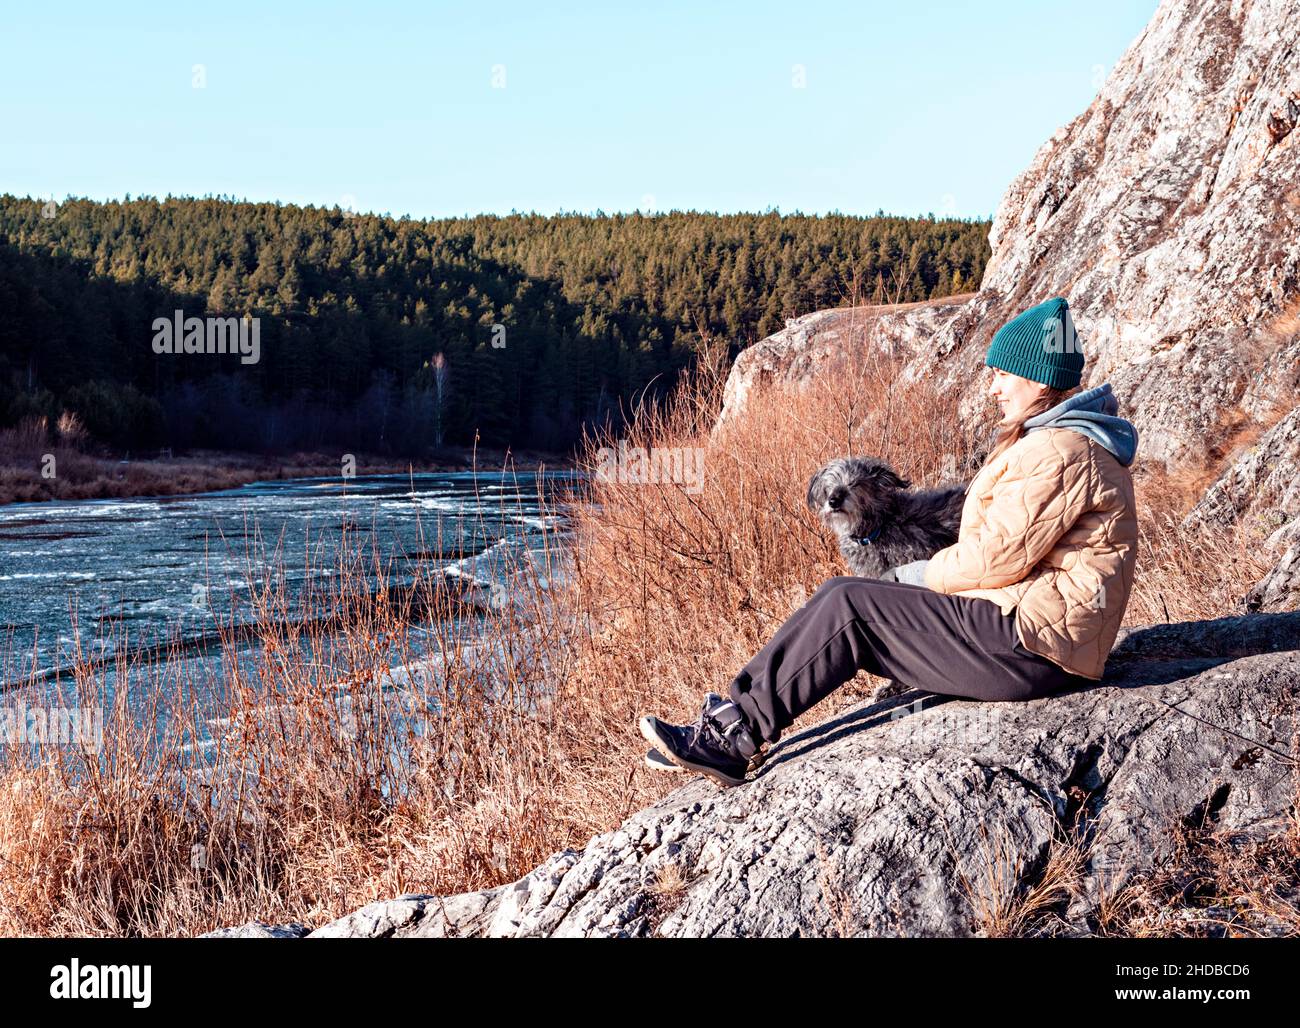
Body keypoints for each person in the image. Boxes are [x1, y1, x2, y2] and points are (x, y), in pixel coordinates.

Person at [639, 296, 1140, 788]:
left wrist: (913, 576)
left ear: (1035, 379)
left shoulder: (1060, 448)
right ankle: (734, 719)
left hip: (1030, 646)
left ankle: (732, 736)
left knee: (850, 603)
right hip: (1030, 637)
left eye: (1002, 375)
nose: (993, 389)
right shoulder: (1062, 442)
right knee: (845, 597)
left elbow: (997, 557)